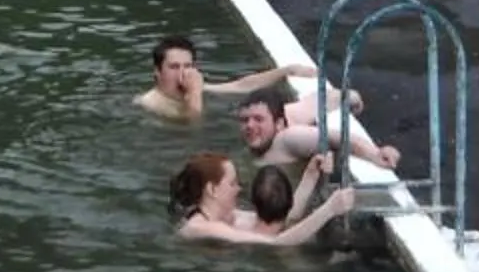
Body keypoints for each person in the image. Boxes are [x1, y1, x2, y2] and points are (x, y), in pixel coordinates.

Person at [137, 37, 349, 122]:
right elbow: (193, 122)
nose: (184, 74)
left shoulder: (195, 90)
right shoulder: (149, 103)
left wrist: (285, 71)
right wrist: (194, 92)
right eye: (174, 67)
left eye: (188, 66)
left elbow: (241, 86)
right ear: (157, 72)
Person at [169, 151, 355, 246]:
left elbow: (283, 219)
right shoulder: (202, 227)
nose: (238, 189)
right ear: (212, 189)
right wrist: (329, 210)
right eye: (232, 183)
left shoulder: (229, 217)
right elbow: (275, 243)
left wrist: (310, 176)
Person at [239, 88, 398, 172]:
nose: (249, 126)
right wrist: (351, 98)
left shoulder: (289, 138)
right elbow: (322, 99)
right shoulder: (289, 114)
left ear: (279, 123)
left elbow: (333, 138)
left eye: (258, 120)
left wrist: (375, 154)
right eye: (244, 120)